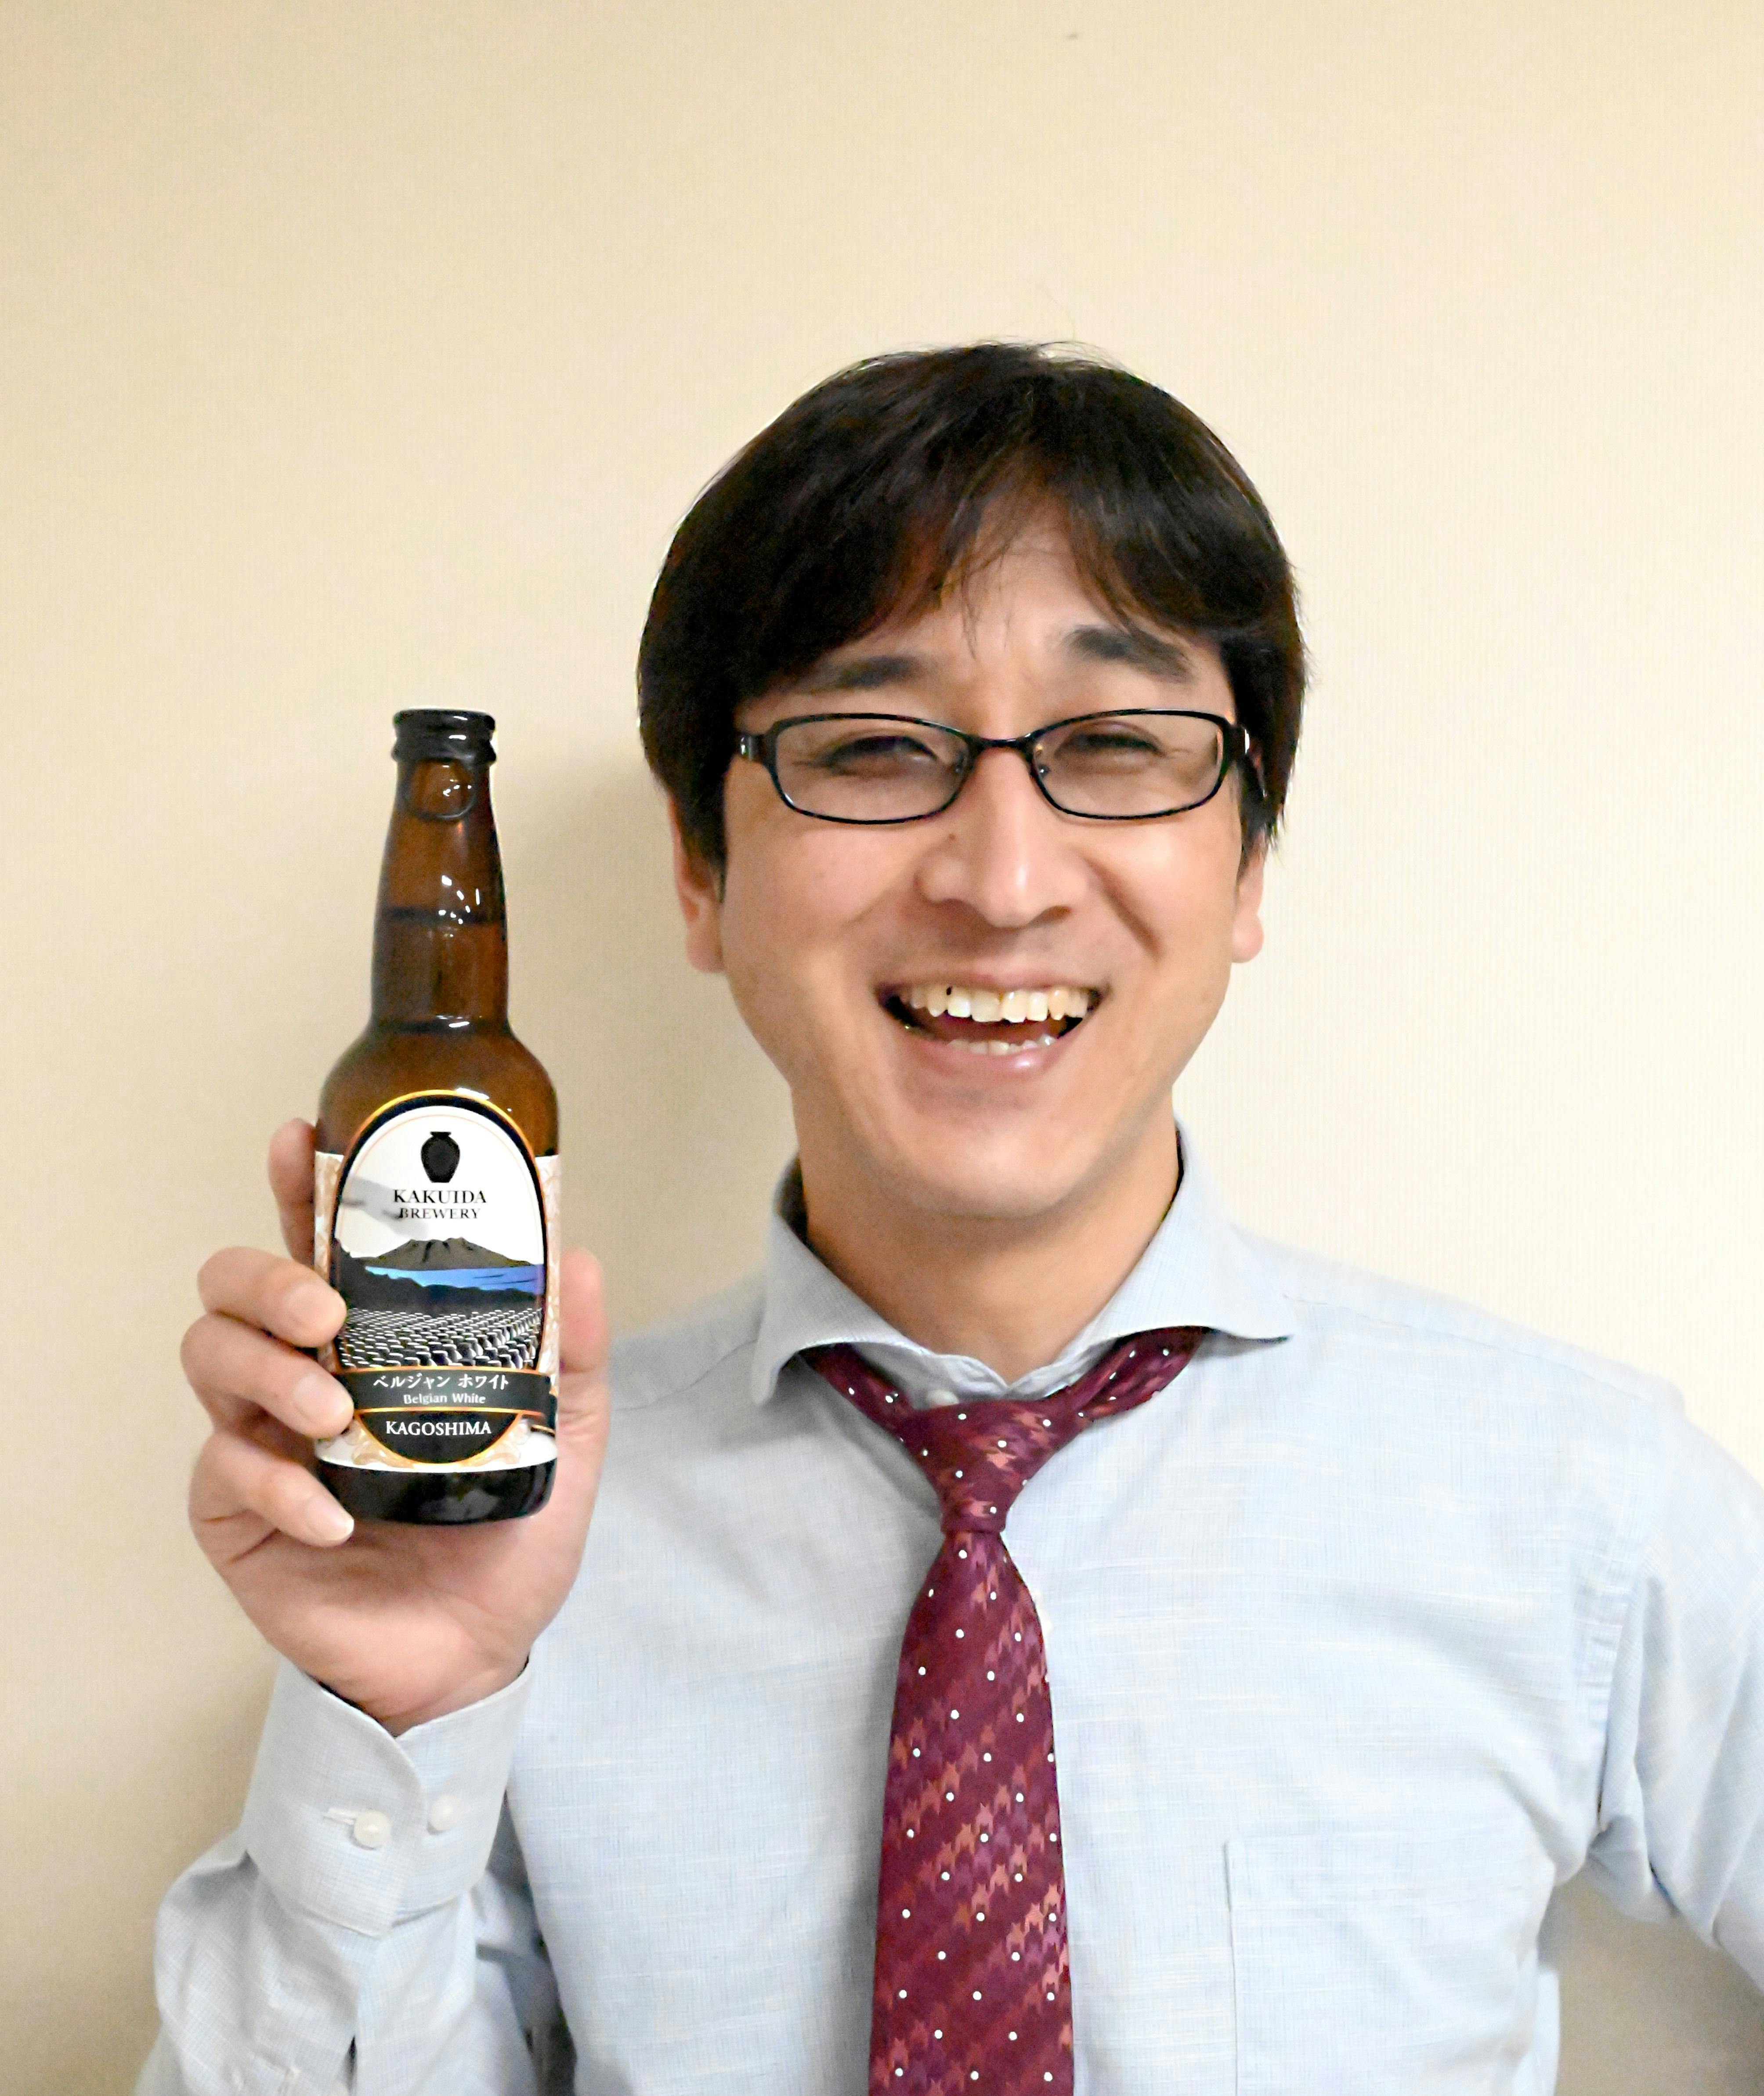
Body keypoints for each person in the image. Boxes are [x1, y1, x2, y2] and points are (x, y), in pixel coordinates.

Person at [142, 344, 1764, 2096]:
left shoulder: (1576, 1496)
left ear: (1249, 863)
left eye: (1117, 745)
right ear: (698, 871)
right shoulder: (513, 1543)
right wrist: (401, 1704)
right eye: (871, 748)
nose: (1002, 880)